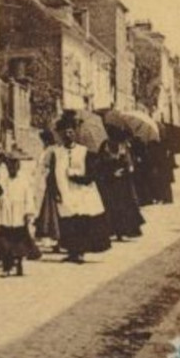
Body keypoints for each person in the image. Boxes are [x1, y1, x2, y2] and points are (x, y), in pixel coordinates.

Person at [53, 112, 111, 263]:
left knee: (81, 222)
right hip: (65, 191)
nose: (68, 135)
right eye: (64, 132)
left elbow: (93, 175)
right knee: (68, 223)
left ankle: (80, 253)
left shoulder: (84, 152)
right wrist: (56, 191)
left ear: (75, 133)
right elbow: (53, 175)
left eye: (71, 131)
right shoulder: (57, 153)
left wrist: (78, 178)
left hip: (82, 192)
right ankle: (72, 252)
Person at [0, 152, 35, 276]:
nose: (12, 168)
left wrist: (29, 213)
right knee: (5, 243)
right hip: (5, 214)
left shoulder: (24, 181)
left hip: (19, 214)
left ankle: (19, 263)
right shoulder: (2, 180)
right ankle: (7, 266)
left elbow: (29, 198)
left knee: (20, 242)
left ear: (19, 166)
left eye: (15, 165)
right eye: (10, 165)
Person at [96, 136, 145, 241]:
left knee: (122, 207)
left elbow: (130, 166)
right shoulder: (106, 146)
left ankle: (121, 232)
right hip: (110, 182)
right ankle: (115, 232)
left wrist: (125, 169)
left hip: (123, 182)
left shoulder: (124, 147)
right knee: (112, 206)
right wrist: (112, 173)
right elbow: (100, 164)